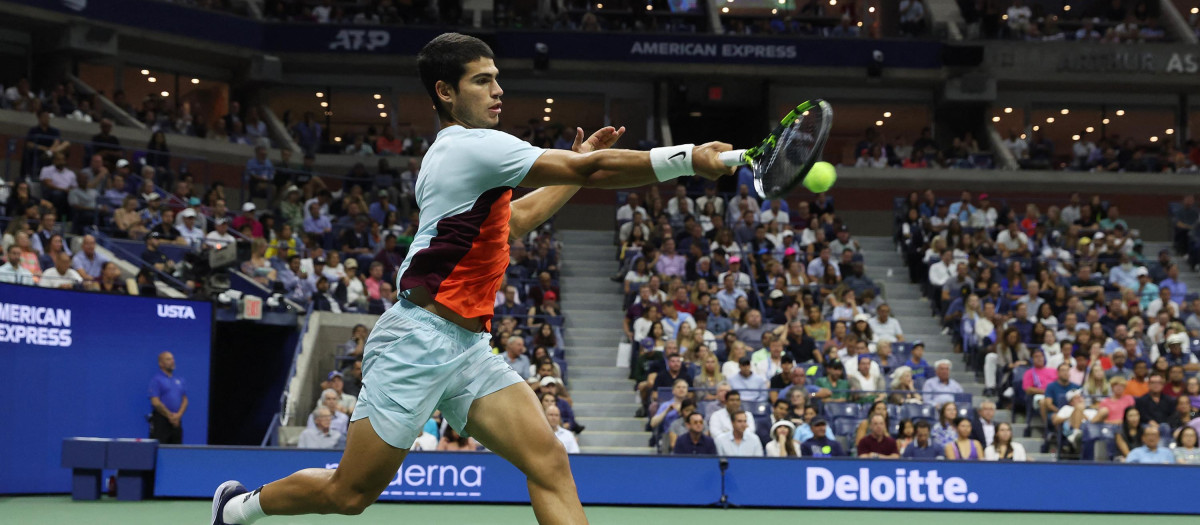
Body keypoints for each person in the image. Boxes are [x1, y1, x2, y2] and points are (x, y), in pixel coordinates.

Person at [213, 32, 737, 525]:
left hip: (467, 346)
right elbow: (594, 171)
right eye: (481, 80)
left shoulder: (477, 162)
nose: (497, 89)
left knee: (549, 461)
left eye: (496, 78)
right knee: (349, 494)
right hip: (415, 340)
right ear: (445, 92)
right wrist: (688, 159)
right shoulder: (467, 146)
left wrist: (577, 164)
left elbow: (519, 221)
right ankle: (239, 509)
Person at [148, 351, 188, 444]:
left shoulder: (180, 380)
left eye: (172, 358)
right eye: (168, 359)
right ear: (160, 363)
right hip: (161, 421)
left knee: (177, 451)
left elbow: (185, 400)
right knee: (160, 449)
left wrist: (178, 416)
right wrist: (170, 416)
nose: (172, 361)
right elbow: (155, 402)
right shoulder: (156, 380)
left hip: (176, 421)